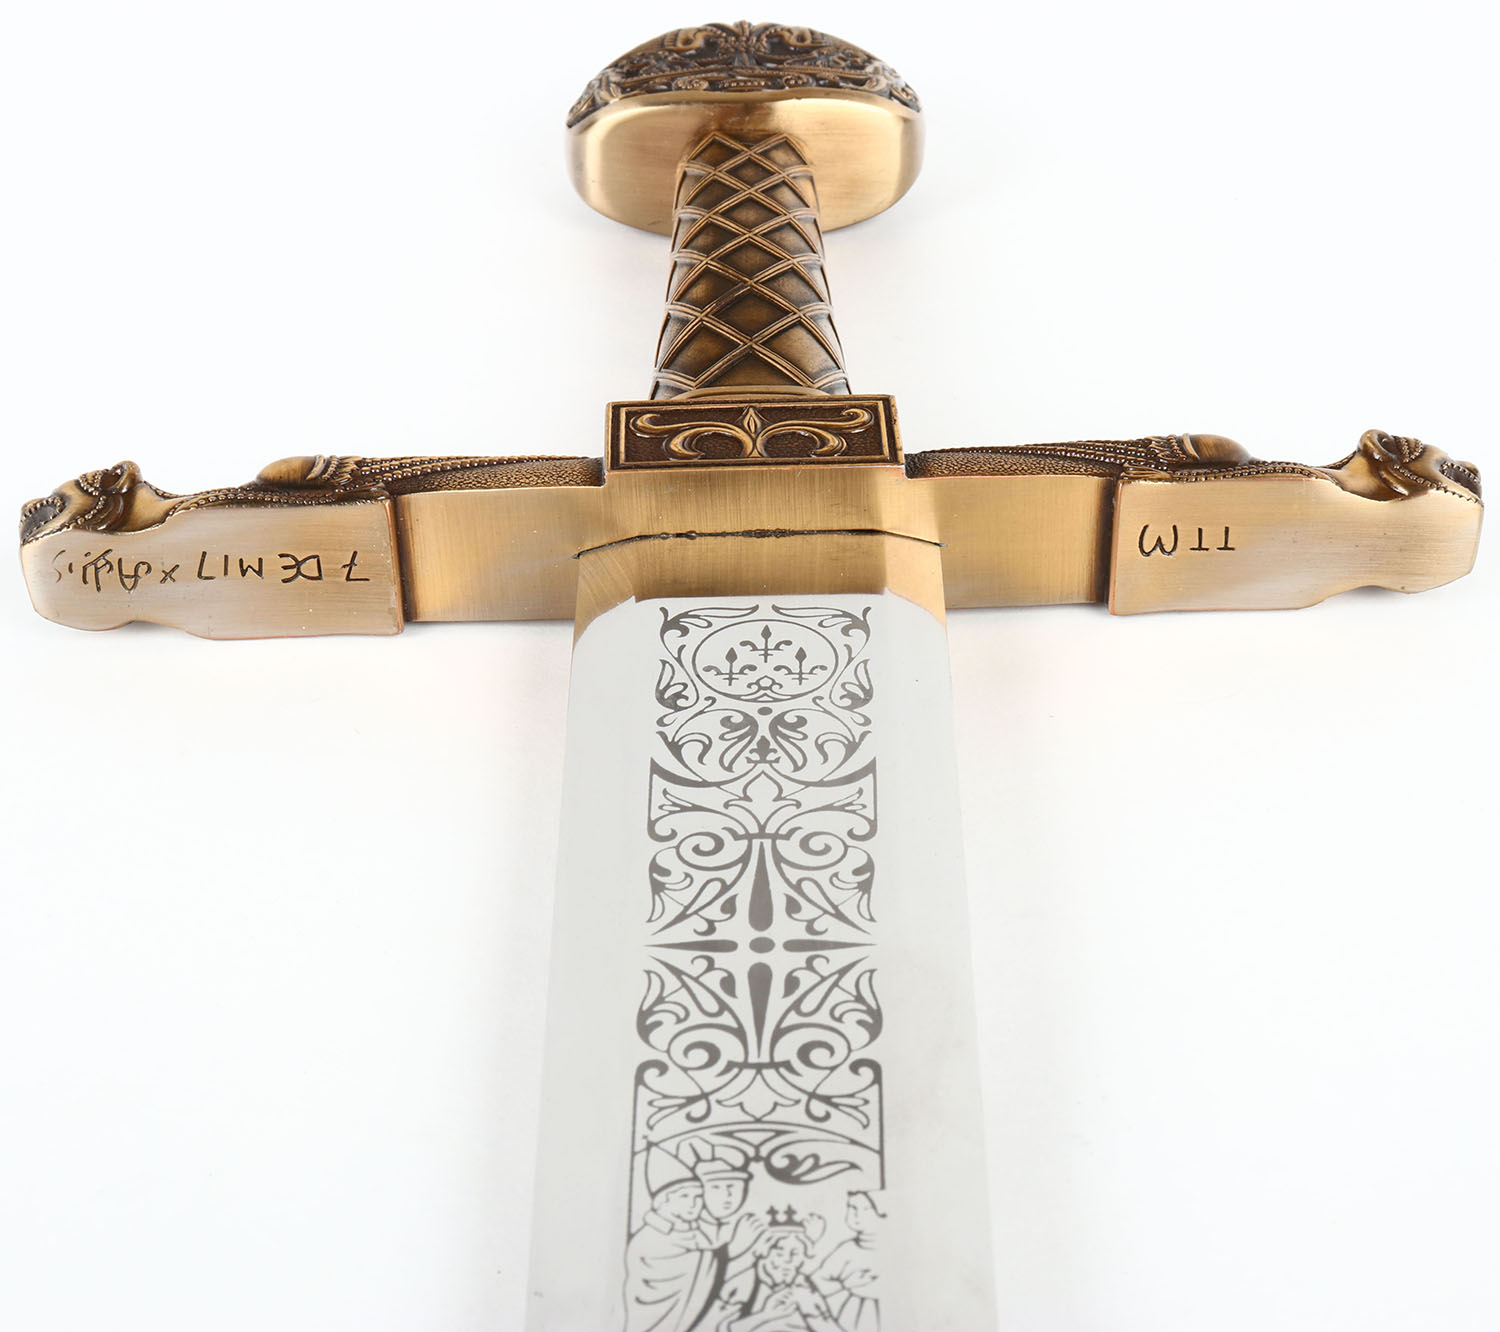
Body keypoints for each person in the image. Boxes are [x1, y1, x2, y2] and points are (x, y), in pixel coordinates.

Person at [624, 1146, 722, 1332]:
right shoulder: (649, 1237)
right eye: (684, 1196)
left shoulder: (694, 1231)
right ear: (663, 1201)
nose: (694, 1204)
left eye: (698, 1196)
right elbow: (687, 1266)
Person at [713, 1213, 841, 1332]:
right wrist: (766, 1315)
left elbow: (826, 1324)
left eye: (795, 1253)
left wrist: (813, 1312)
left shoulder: (802, 1284)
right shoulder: (743, 1284)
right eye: (779, 1253)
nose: (788, 1260)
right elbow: (718, 1327)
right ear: (764, 1252)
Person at [811, 1191, 882, 1331]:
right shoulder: (848, 1249)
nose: (857, 1215)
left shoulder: (896, 1249)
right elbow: (815, 1282)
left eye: (866, 1209)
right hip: (854, 1316)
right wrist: (845, 1285)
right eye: (852, 1207)